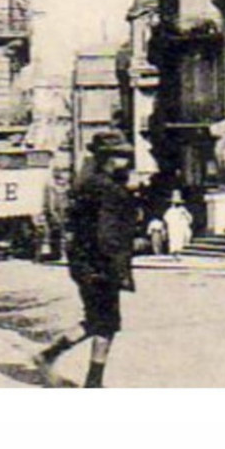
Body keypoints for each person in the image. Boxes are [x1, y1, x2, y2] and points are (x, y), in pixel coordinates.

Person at [33, 136, 138, 388]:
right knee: (105, 322)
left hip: (83, 262)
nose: (126, 161)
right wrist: (119, 266)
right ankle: (78, 373)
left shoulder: (87, 185)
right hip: (100, 266)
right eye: (121, 156)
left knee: (99, 321)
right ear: (109, 159)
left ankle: (75, 370)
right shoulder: (110, 190)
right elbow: (107, 234)